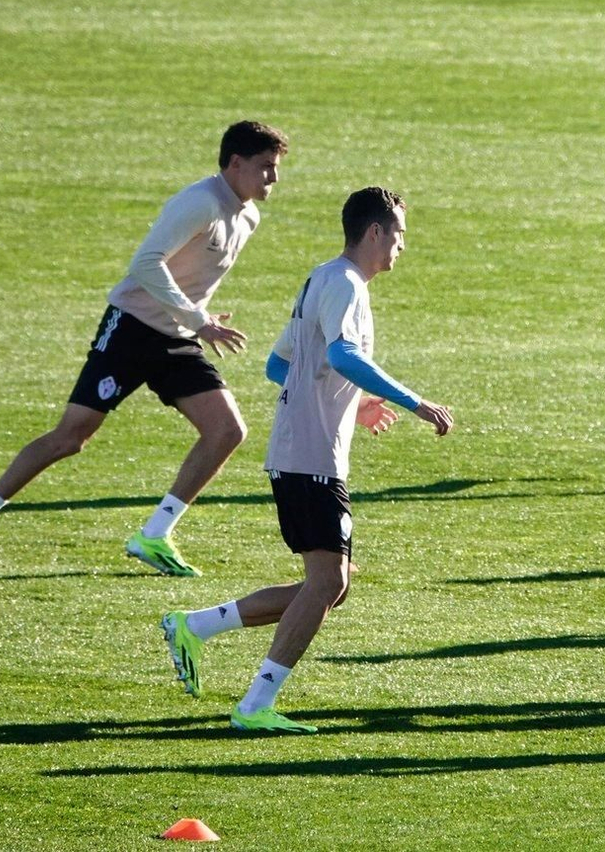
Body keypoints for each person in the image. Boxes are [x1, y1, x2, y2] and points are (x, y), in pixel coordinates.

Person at [158, 187, 455, 732]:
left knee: (331, 587)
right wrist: (415, 403)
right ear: (374, 233)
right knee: (325, 585)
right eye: (400, 235)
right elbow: (343, 354)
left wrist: (357, 402)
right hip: (311, 458)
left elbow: (279, 366)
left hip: (302, 453)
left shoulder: (322, 278)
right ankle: (254, 705)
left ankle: (197, 626)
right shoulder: (345, 285)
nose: (402, 247)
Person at [0, 122, 289, 576]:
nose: (272, 179)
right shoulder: (199, 202)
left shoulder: (247, 216)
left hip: (178, 337)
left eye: (275, 169)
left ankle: (155, 535)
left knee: (227, 430)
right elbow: (145, 264)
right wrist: (197, 319)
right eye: (265, 168)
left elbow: (188, 274)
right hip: (132, 331)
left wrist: (200, 314)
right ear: (235, 163)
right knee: (70, 438)